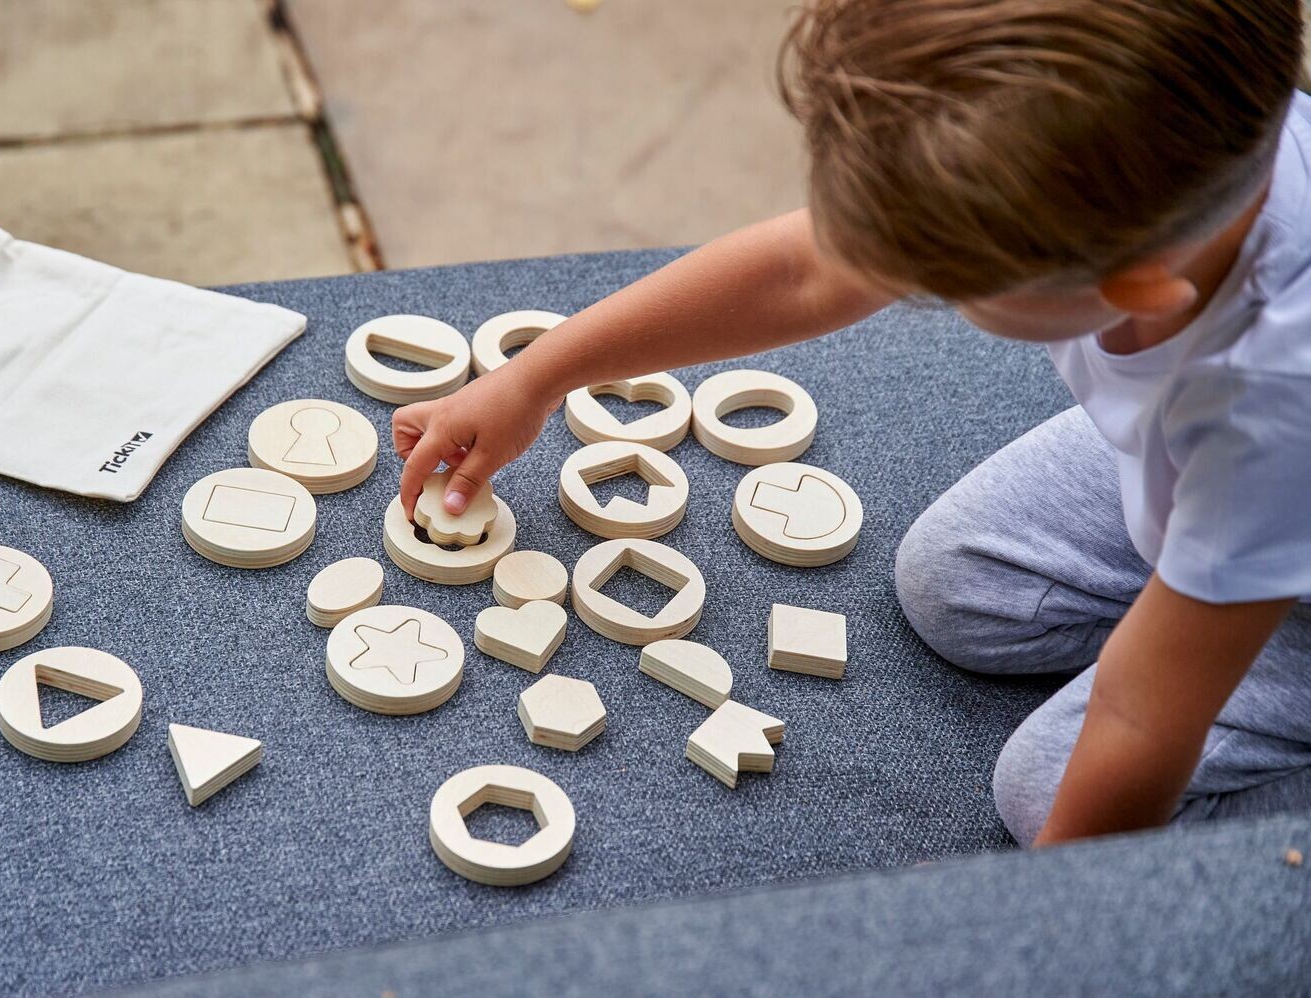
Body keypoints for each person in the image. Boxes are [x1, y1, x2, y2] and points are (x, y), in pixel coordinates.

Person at [391, 0, 1310, 845]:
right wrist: (537, 377)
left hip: (1266, 491)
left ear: (1132, 288)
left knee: (1046, 798)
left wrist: (1041, 934)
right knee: (955, 585)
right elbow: (808, 269)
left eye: (937, 285)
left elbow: (1144, 721)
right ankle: (1212, 590)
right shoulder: (1155, 195)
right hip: (1222, 469)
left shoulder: (1266, 410)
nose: (898, 286)